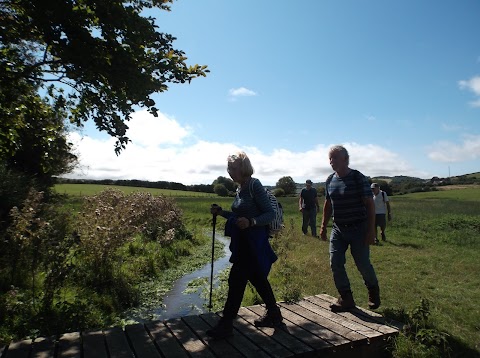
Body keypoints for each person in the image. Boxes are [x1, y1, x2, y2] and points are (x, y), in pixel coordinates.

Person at [206, 151, 283, 339]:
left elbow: (270, 214)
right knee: (257, 278)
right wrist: (222, 212)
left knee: (236, 280)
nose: (230, 172)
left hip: (253, 243)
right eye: (228, 168)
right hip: (244, 243)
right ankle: (274, 313)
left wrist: (251, 222)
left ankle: (226, 324)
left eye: (233, 168)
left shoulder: (254, 185)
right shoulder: (240, 188)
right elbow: (237, 216)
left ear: (244, 168)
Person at [319, 145, 381, 312]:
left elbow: (369, 205)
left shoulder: (357, 178)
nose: (331, 161)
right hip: (338, 229)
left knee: (362, 264)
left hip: (358, 228)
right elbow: (327, 203)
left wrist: (371, 231)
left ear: (345, 159)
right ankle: (346, 298)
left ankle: (373, 289)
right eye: (330, 158)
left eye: (335, 158)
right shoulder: (330, 180)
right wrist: (323, 226)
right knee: (335, 263)